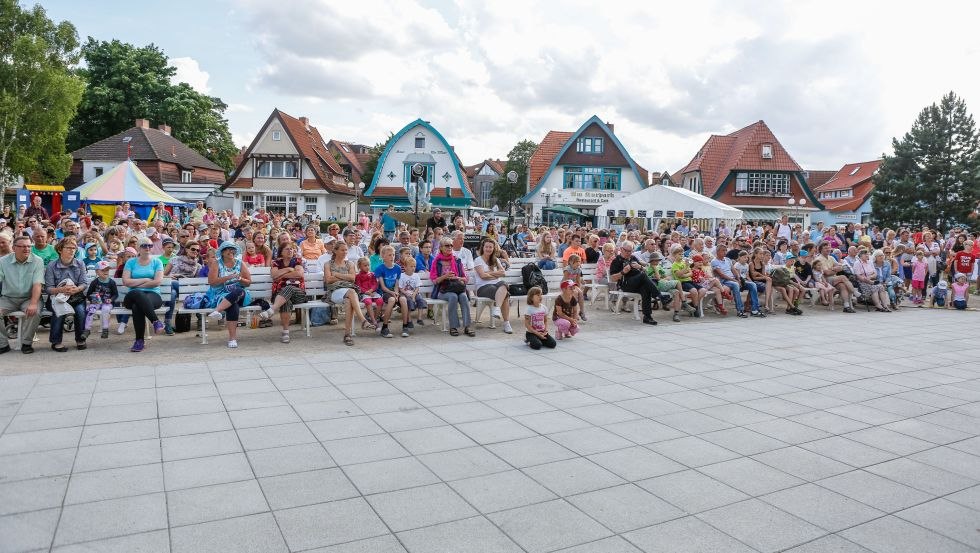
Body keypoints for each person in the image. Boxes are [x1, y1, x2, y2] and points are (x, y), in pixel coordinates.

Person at [0, 236, 44, 354]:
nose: (27, 249)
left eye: (29, 246)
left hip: (29, 298)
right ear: (14, 248)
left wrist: (33, 303)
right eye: (23, 246)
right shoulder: (3, 261)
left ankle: (26, 343)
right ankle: (2, 344)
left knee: (35, 312)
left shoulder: (37, 261)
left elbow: (37, 284)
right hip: (8, 298)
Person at [258, 242, 309, 345]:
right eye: (287, 249)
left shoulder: (297, 261)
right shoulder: (276, 263)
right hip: (279, 295)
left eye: (291, 249)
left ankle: (272, 310)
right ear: (281, 252)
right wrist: (288, 269)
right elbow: (274, 275)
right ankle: (286, 333)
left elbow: (299, 274)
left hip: (298, 294)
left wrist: (281, 275)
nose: (290, 251)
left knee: (289, 288)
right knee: (286, 301)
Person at [44, 238, 89, 352]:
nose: (72, 250)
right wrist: (61, 289)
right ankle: (56, 342)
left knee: (80, 311)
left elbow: (84, 283)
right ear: (60, 249)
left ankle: (80, 339)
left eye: (74, 248)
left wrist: (76, 289)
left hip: (75, 297)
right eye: (69, 248)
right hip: (57, 298)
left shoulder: (80, 263)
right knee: (58, 311)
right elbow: (48, 288)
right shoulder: (52, 265)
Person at [324, 240, 372, 346]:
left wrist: (336, 275)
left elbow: (352, 278)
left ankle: (347, 335)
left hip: (348, 292)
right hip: (334, 292)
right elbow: (328, 280)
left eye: (346, 250)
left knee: (349, 300)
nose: (345, 252)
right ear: (335, 251)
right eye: (342, 250)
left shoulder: (350, 264)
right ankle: (363, 320)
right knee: (351, 292)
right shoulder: (328, 264)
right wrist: (345, 277)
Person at [206, 241, 253, 348]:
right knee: (233, 305)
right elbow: (212, 282)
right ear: (222, 252)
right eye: (228, 249)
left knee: (238, 291)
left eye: (232, 249)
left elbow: (248, 282)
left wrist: (240, 279)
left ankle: (217, 310)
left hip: (241, 295)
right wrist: (228, 277)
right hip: (222, 295)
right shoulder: (217, 263)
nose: (231, 251)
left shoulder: (240, 263)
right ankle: (232, 339)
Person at [122, 237, 165, 352]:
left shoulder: (157, 262)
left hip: (153, 294)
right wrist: (145, 279)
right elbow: (126, 281)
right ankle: (155, 321)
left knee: (137, 306)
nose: (147, 248)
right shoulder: (131, 262)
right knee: (137, 293)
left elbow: (157, 282)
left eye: (150, 245)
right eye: (144, 245)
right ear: (138, 248)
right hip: (132, 296)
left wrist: (136, 284)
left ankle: (139, 341)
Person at [608, 240, 658, 325]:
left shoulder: (633, 258)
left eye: (630, 251)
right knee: (642, 276)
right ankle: (658, 295)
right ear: (621, 249)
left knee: (645, 289)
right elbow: (612, 279)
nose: (629, 253)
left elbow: (646, 270)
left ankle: (647, 317)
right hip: (626, 284)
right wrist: (623, 272)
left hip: (637, 283)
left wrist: (640, 267)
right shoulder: (616, 260)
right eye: (626, 251)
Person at [431, 238, 473, 337]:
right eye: (447, 245)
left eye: (451, 245)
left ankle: (467, 326)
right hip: (443, 290)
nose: (450, 247)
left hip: (457, 288)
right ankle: (453, 327)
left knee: (463, 297)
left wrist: (457, 278)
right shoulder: (437, 262)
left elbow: (465, 278)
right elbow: (435, 280)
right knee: (453, 297)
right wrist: (445, 276)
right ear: (441, 248)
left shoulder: (457, 260)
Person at [711, 244, 764, 318]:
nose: (725, 252)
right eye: (723, 250)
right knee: (735, 285)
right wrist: (734, 280)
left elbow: (734, 270)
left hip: (733, 280)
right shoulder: (714, 261)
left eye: (726, 250)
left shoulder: (727, 259)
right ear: (717, 251)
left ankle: (755, 310)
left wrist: (738, 279)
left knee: (752, 285)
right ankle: (740, 310)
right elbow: (721, 274)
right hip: (724, 281)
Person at [473, 238, 513, 333]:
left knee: (504, 285)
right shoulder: (478, 260)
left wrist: (488, 273)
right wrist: (495, 274)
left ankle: (497, 309)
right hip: (482, 288)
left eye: (490, 247)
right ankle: (506, 323)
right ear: (483, 248)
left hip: (498, 285)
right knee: (506, 294)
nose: (488, 249)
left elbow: (503, 273)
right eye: (486, 247)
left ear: (493, 248)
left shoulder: (496, 260)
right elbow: (482, 276)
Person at [374, 244, 408, 338]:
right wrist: (392, 293)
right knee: (392, 300)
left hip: (394, 291)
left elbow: (397, 284)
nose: (392, 257)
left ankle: (405, 326)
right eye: (389, 255)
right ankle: (384, 327)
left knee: (403, 299)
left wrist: (396, 293)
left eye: (393, 255)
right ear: (383, 256)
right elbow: (383, 286)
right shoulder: (380, 268)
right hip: (385, 292)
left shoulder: (397, 268)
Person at [85, 260, 118, 340]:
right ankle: (87, 330)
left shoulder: (112, 282)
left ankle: (105, 330)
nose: (105, 272)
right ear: (97, 272)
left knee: (105, 309)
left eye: (107, 270)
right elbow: (88, 294)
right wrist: (92, 299)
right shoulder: (94, 282)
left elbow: (115, 294)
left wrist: (111, 299)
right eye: (103, 270)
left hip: (107, 303)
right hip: (96, 302)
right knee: (91, 309)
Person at [399, 257, 427, 328]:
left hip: (414, 293)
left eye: (414, 266)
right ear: (405, 267)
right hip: (405, 294)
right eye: (411, 266)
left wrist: (414, 295)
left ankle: (419, 318)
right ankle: (409, 320)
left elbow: (417, 287)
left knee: (420, 299)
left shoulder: (416, 276)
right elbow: (400, 288)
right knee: (408, 302)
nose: (413, 268)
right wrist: (406, 293)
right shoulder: (402, 276)